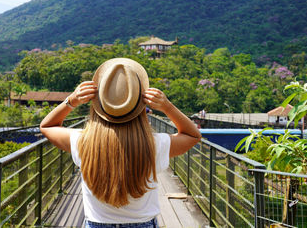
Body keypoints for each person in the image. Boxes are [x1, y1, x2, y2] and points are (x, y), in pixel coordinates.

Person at [40, 58, 201, 227]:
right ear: (141, 104)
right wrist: (167, 107)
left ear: (98, 103)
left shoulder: (82, 141)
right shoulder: (154, 144)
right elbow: (193, 135)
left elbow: (47, 126)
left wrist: (71, 101)